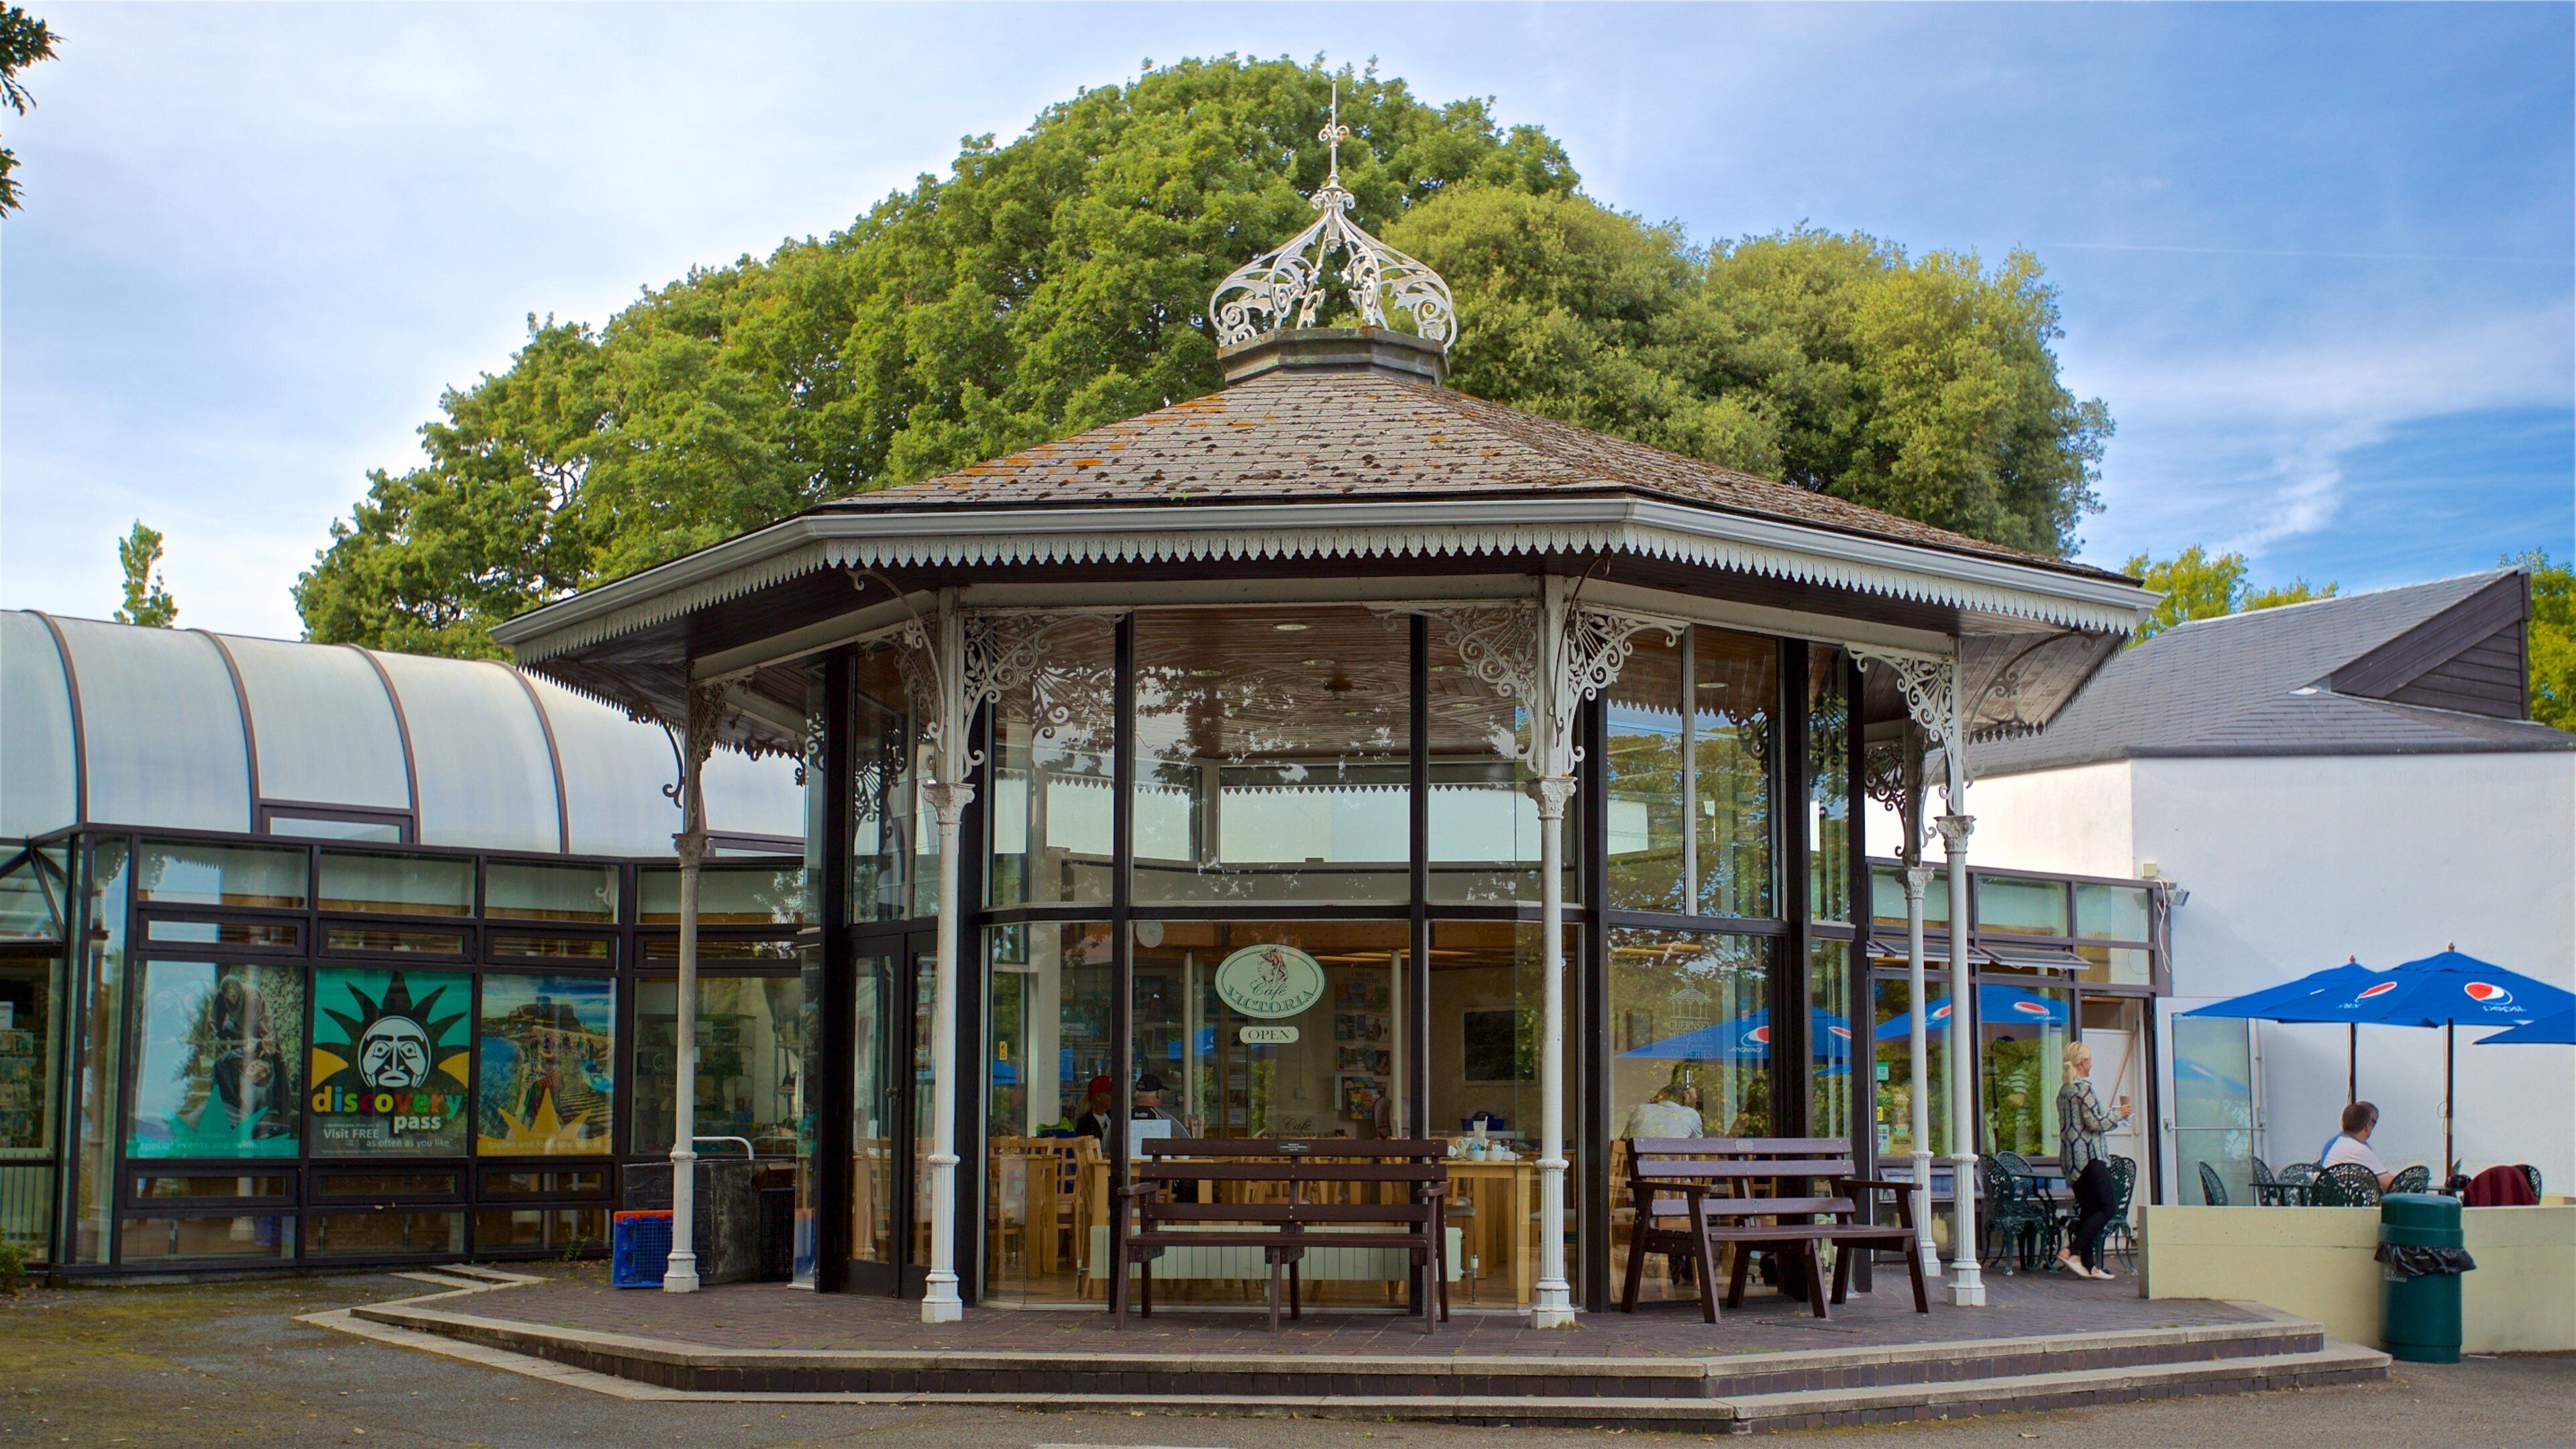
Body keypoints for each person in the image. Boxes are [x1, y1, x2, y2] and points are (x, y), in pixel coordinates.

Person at [2054, 1040, 2131, 1281]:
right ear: (2084, 1063)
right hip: (2089, 1158)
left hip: (2071, 1159)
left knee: (2089, 1209)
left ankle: (2088, 1266)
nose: (2092, 1064)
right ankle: (2071, 1251)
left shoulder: (2064, 1091)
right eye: (2090, 1060)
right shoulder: (2084, 1089)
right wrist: (2120, 1114)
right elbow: (2095, 1123)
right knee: (2107, 1207)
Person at [2321, 1101, 2396, 1190]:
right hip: (2348, 1201)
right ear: (2367, 1126)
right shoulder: (2358, 1149)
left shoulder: (2340, 1142)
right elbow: (2390, 1184)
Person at [1621, 1082, 1704, 1140]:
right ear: (1684, 1101)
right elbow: (1696, 1146)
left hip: (1640, 1165)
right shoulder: (1690, 1114)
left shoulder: (1640, 1110)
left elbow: (1624, 1141)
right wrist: (1691, 1107)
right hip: (1676, 1165)